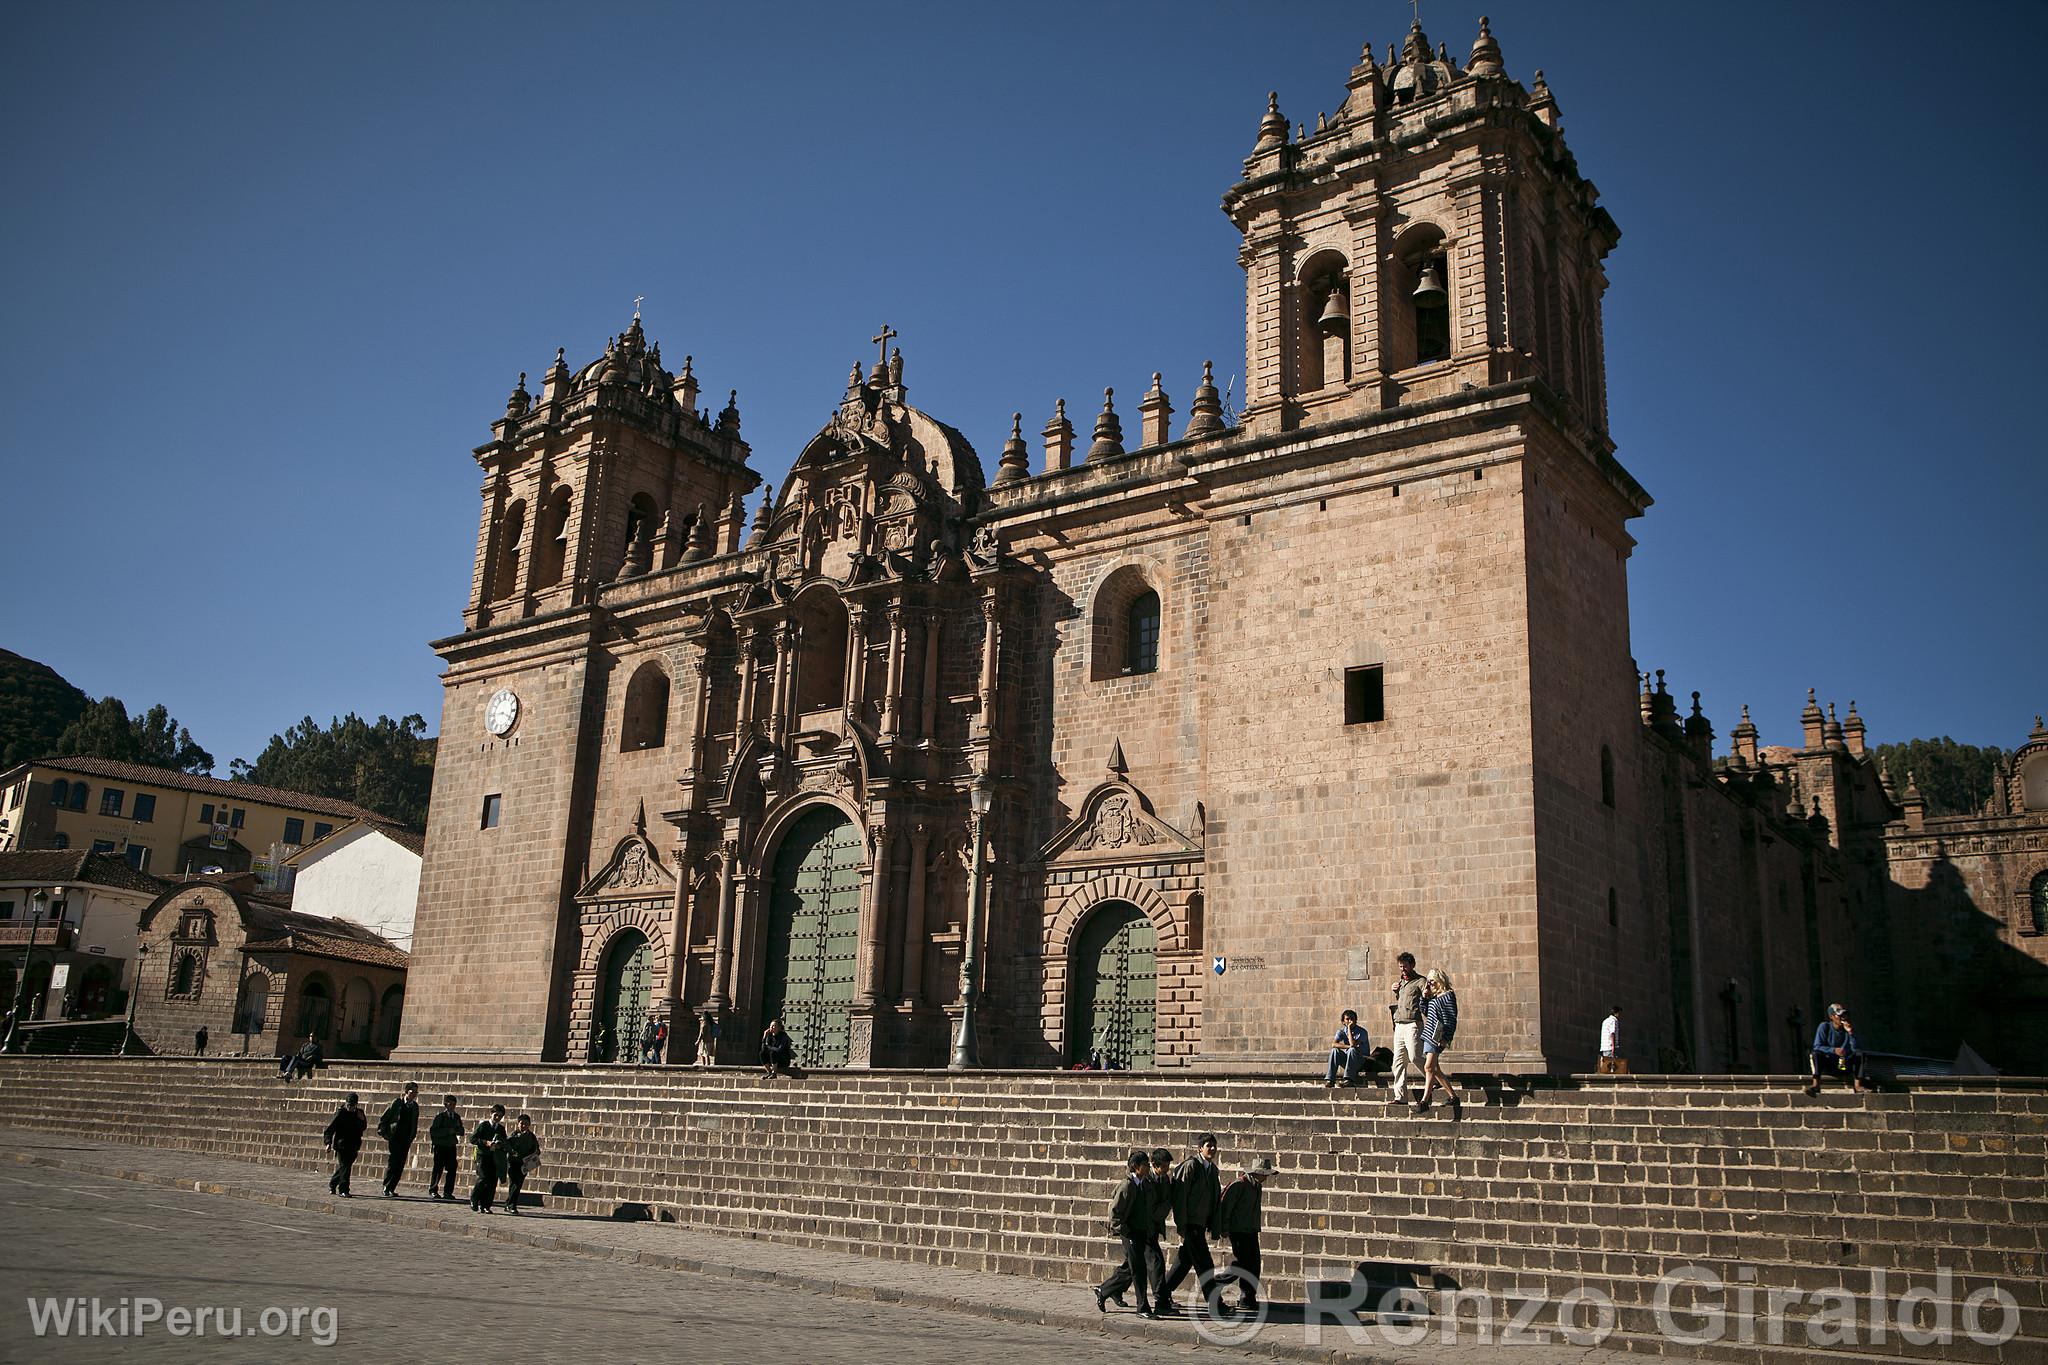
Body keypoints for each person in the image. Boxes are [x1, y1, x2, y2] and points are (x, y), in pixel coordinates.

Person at [1156, 1132, 1223, 1315]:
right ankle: (1216, 1302)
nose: (1212, 1149)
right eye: (1208, 1145)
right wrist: (1182, 1225)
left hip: (1200, 1224)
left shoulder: (1212, 1170)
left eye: (1214, 1145)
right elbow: (1180, 1197)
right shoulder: (1191, 1166)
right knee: (1205, 1263)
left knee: (1184, 1263)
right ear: (1200, 1148)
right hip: (1191, 1224)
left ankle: (1162, 1296)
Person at [1098, 1149, 1172, 1312]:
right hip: (1131, 1232)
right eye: (1145, 1165)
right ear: (1135, 1167)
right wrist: (1126, 1231)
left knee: (1134, 1267)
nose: (1147, 1168)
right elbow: (1115, 1214)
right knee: (1141, 1268)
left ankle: (1105, 1290)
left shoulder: (1144, 1184)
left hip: (1143, 1231)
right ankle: (1146, 1307)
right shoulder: (1127, 1185)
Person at [1217, 1156, 1277, 1314]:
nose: (1266, 1177)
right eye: (1265, 1174)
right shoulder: (1239, 1185)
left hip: (1251, 1230)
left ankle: (1247, 1298)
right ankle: (1215, 1284)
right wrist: (1224, 1228)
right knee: (1242, 1264)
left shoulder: (1256, 1186)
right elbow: (1225, 1206)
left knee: (1254, 1264)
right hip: (1238, 1231)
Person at [1414, 968, 1461, 1119]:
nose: (1429, 984)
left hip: (1438, 1036)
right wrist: (1424, 996)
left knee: (1428, 1067)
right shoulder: (1433, 997)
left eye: (1432, 981)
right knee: (1435, 1070)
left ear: (1439, 980)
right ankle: (1453, 1097)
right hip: (1428, 1035)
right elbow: (1425, 1011)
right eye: (1428, 981)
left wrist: (1446, 1038)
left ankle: (1424, 1101)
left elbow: (1451, 1019)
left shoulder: (1448, 995)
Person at [1387, 952, 1426, 1106]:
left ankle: (1434, 1078)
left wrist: (1427, 992)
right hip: (1399, 1025)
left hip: (1413, 1024)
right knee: (1398, 1062)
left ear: (1412, 965)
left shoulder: (1420, 981)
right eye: (1400, 967)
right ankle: (1400, 1097)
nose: (1402, 969)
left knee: (1415, 1056)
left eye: (1405, 966)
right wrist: (1395, 990)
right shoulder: (1401, 983)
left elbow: (1427, 994)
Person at [1806, 1003, 1866, 1095]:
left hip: (1842, 1064)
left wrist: (1850, 1033)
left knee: (1859, 1054)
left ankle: (1857, 1085)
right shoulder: (1824, 1027)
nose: (1842, 1018)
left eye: (1844, 1015)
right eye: (1839, 1015)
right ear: (1832, 1017)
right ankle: (1816, 1084)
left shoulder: (1848, 1030)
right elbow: (1817, 1046)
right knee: (1816, 1053)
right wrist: (1833, 1050)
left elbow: (1855, 1048)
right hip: (1829, 1063)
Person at [377, 1082, 420, 1197]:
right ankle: (387, 1186)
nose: (414, 1095)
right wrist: (383, 1132)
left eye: (416, 1092)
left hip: (406, 1139)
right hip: (395, 1137)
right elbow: (385, 1117)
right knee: (393, 1162)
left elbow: (414, 1123)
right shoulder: (397, 1103)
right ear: (406, 1092)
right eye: (412, 1092)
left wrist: (412, 1136)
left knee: (400, 1164)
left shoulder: (415, 1107)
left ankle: (392, 1187)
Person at [323, 1092, 367, 1198]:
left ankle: (333, 1183)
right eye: (349, 1105)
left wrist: (362, 1120)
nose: (350, 1108)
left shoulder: (359, 1113)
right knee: (345, 1167)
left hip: (354, 1144)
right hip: (341, 1145)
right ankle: (343, 1189)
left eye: (353, 1106)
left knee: (345, 1167)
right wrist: (328, 1143)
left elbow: (363, 1127)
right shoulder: (340, 1113)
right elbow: (330, 1129)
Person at [469, 1103, 507, 1212]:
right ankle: (474, 1199)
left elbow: (504, 1142)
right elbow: (473, 1139)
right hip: (483, 1156)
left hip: (494, 1158)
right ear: (491, 1114)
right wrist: (486, 1142)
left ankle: (486, 1205)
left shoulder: (500, 1129)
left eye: (500, 1116)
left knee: (492, 1182)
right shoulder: (484, 1125)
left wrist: (500, 1145)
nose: (497, 1118)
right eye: (495, 1115)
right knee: (482, 1178)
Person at [502, 1114, 541, 1215]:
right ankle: (511, 1205)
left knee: (518, 1185)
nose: (523, 1126)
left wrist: (535, 1154)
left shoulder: (532, 1136)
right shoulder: (514, 1135)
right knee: (514, 1184)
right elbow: (508, 1147)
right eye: (521, 1124)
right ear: (518, 1124)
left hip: (525, 1164)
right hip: (513, 1162)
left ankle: (508, 1203)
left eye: (526, 1124)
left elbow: (536, 1148)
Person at [427, 1095, 463, 1200]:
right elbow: (434, 1132)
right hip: (440, 1146)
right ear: (445, 1104)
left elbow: (461, 1130)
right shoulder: (440, 1117)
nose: (452, 1106)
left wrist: (457, 1130)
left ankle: (448, 1192)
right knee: (438, 1168)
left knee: (452, 1169)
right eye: (449, 1104)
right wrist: (447, 1131)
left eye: (453, 1104)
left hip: (451, 1146)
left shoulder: (456, 1117)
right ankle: (433, 1189)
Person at [1324, 1009, 1371, 1088]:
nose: (1350, 1021)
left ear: (1356, 1020)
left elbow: (1353, 1044)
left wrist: (1349, 1028)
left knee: (1352, 1050)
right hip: (1349, 1060)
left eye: (1352, 1019)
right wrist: (1348, 1047)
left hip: (1361, 1061)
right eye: (1347, 1019)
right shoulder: (1341, 1031)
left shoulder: (1362, 1032)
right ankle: (1330, 1079)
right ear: (1343, 1022)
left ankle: (1349, 1079)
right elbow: (1334, 1044)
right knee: (1335, 1051)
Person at [1598, 1006, 1624, 1073]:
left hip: (1604, 1046)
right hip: (1610, 1046)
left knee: (1606, 1065)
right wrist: (1613, 1046)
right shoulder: (1614, 1021)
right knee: (1613, 1067)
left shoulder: (1605, 1021)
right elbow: (1612, 1033)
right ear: (1617, 1013)